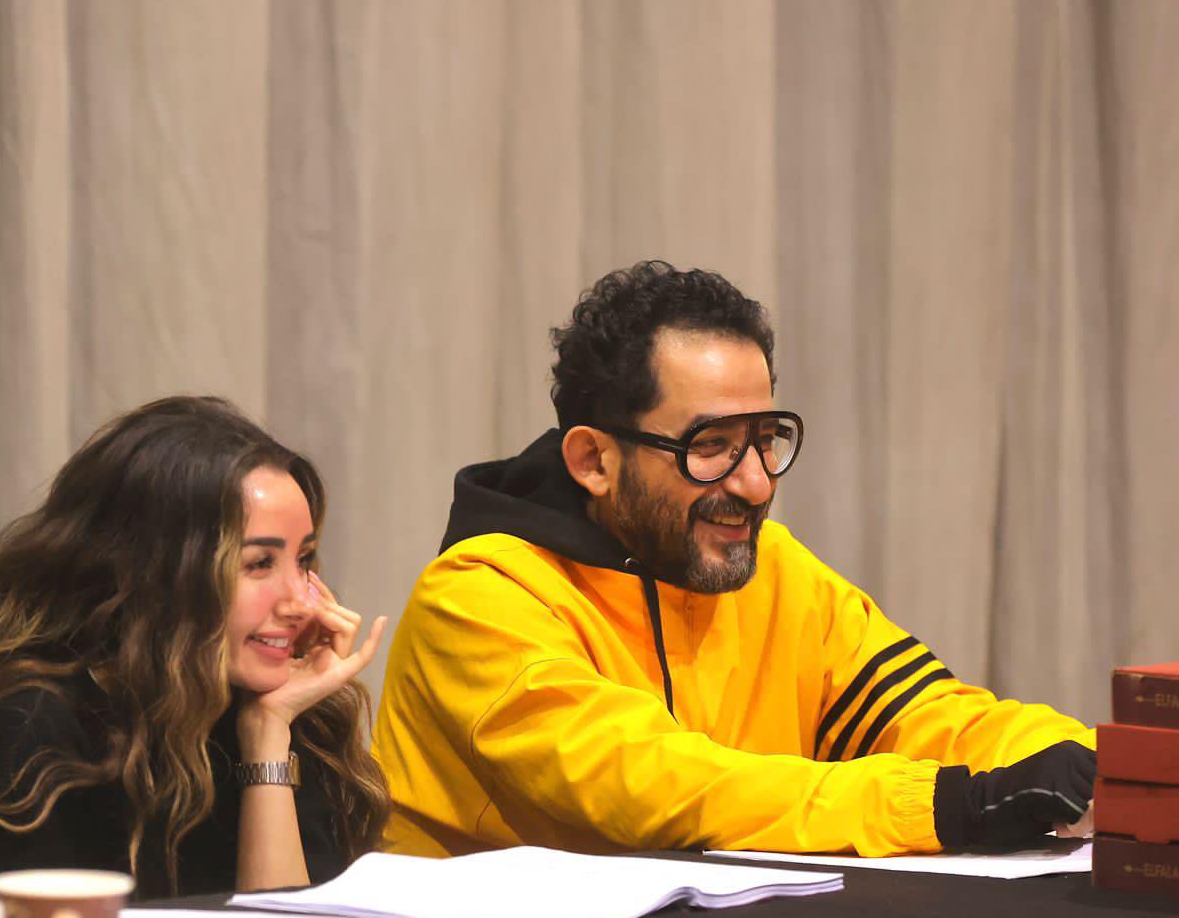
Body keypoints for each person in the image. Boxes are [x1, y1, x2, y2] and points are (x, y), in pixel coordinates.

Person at [372, 260, 1096, 859]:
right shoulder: (477, 596)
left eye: (766, 439)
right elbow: (652, 785)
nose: (755, 484)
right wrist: (943, 805)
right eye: (711, 446)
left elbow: (929, 716)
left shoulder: (773, 568)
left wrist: (1116, 768)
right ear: (594, 460)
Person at [0, 395, 389, 896]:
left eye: (303, 559)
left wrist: (269, 736)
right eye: (258, 564)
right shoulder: (32, 726)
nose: (300, 601)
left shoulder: (284, 716)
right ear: (157, 575)